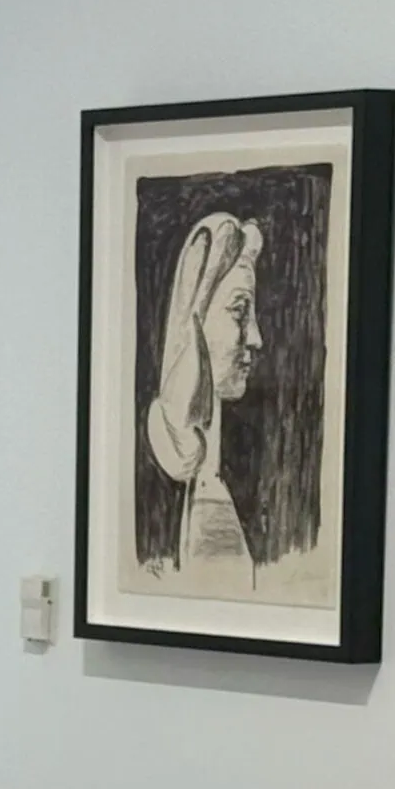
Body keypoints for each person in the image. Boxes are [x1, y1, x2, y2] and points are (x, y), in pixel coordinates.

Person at [145, 211, 263, 577]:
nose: (256, 338)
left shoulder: (219, 483)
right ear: (195, 319)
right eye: (240, 311)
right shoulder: (192, 499)